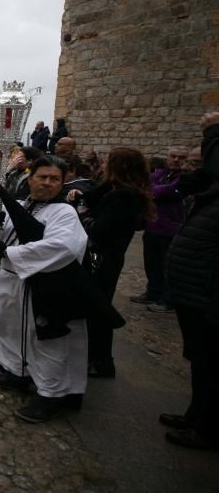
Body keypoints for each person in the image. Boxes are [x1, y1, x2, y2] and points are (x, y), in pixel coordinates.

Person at [0, 156, 90, 422]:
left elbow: (63, 247)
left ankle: (51, 394)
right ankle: (16, 373)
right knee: (8, 329)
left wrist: (10, 252)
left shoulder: (64, 213)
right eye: (43, 177)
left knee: (45, 341)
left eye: (55, 179)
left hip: (43, 285)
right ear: (30, 179)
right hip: (9, 281)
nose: (48, 183)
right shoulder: (16, 205)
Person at [69, 147, 153, 379]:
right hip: (108, 256)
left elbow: (100, 229)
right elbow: (93, 199)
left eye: (110, 163)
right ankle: (95, 357)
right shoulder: (119, 191)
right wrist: (102, 186)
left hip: (103, 258)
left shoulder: (124, 197)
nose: (104, 165)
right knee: (96, 306)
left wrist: (81, 219)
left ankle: (102, 361)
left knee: (99, 308)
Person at [162, 111, 219, 450]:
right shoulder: (207, 197)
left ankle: (207, 428)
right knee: (200, 362)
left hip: (207, 296)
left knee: (212, 366)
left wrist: (213, 132)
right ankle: (196, 414)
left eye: (200, 163)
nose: (192, 169)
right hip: (193, 293)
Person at [133, 147, 188, 313]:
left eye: (181, 157)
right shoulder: (162, 174)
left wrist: (151, 190)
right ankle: (153, 292)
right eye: (173, 156)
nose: (176, 160)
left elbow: (171, 191)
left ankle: (168, 300)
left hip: (171, 229)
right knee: (152, 264)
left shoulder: (185, 178)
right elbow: (146, 184)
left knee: (168, 267)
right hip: (153, 226)